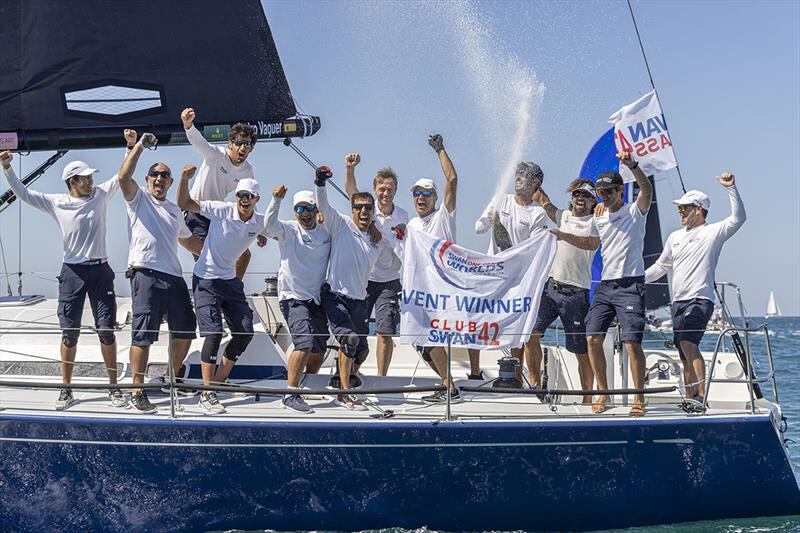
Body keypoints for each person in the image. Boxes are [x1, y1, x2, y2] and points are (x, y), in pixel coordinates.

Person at [1, 144, 127, 411]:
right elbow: (22, 193)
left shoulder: (101, 195)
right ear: (73, 182)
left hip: (100, 270)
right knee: (69, 332)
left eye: (92, 177)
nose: (92, 181)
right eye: (87, 178)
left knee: (106, 329)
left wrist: (130, 148)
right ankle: (66, 388)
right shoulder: (56, 202)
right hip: (72, 272)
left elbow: (121, 176)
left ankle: (114, 387)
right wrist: (7, 167)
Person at [561, 151, 652, 416]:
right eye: (601, 193)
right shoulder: (599, 215)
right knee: (591, 337)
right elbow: (589, 242)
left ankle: (639, 398)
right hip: (605, 287)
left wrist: (632, 166)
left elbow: (645, 189)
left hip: (630, 286)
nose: (604, 197)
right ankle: (603, 393)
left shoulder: (635, 211)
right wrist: (563, 235)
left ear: (620, 191)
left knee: (632, 342)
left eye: (609, 192)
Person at [116, 131, 198, 413]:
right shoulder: (138, 199)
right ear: (148, 179)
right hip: (145, 273)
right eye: (155, 174)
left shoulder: (176, 211)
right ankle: (137, 392)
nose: (160, 178)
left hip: (173, 277)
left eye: (165, 176)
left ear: (171, 182)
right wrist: (139, 146)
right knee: (143, 335)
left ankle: (170, 379)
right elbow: (123, 178)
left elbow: (188, 241)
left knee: (186, 330)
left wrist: (228, 246)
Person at [645, 172, 745, 403]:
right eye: (679, 209)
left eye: (684, 208)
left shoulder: (713, 232)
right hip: (678, 302)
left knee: (690, 343)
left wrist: (731, 188)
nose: (680, 213)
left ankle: (700, 396)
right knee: (682, 350)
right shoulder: (675, 237)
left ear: (698, 210)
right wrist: (636, 278)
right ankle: (690, 397)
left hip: (700, 299)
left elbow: (738, 218)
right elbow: (661, 266)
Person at [178, 172, 266, 415]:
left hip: (229, 280)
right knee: (214, 333)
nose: (243, 199)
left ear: (256, 198)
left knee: (245, 332)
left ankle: (217, 382)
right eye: (240, 195)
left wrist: (261, 236)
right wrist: (184, 180)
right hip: (206, 278)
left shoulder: (259, 220)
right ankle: (207, 394)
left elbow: (277, 228)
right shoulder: (221, 209)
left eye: (248, 196)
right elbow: (185, 204)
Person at [315, 165, 400, 410]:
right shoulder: (341, 225)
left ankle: (343, 377)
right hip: (335, 297)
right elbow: (324, 207)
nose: (363, 211)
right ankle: (343, 394)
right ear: (351, 210)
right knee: (350, 341)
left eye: (367, 208)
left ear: (374, 211)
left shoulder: (377, 238)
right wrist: (320, 182)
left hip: (359, 301)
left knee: (361, 351)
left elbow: (399, 255)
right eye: (358, 207)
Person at [471, 161, 550, 381]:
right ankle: (474, 373)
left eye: (523, 174)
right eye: (516, 173)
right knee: (477, 319)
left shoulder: (538, 213)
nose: (517, 177)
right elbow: (478, 229)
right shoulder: (501, 199)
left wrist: (499, 225)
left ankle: (522, 380)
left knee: (521, 331)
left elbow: (526, 251)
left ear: (535, 182)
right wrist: (489, 219)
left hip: (519, 279)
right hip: (492, 275)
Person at [528, 179, 599, 403]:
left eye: (587, 195)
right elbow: (543, 200)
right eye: (578, 194)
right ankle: (535, 387)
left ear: (593, 201)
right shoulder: (564, 216)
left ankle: (587, 398)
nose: (581, 198)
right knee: (530, 335)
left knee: (580, 350)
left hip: (575, 294)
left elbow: (591, 244)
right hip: (551, 288)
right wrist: (532, 179)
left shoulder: (596, 222)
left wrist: (563, 235)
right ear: (571, 198)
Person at [263, 184, 331, 413]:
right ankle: (291, 394)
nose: (304, 213)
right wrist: (275, 200)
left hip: (316, 298)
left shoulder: (326, 231)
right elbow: (269, 226)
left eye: (308, 208)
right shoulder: (289, 230)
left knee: (320, 348)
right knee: (304, 342)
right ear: (294, 212)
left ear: (316, 209)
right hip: (292, 297)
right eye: (299, 209)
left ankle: (307, 385)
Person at [406, 134, 461, 403]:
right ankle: (446, 383)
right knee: (420, 341)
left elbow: (452, 180)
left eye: (427, 193)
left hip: (441, 291)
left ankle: (450, 388)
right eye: (416, 193)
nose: (421, 197)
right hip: (418, 293)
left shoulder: (443, 216)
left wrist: (440, 149)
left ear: (435, 198)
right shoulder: (412, 226)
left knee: (432, 338)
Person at [343, 154, 409, 376]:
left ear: (395, 191)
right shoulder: (367, 210)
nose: (386, 193)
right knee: (358, 330)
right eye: (382, 189)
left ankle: (382, 378)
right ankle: (351, 372)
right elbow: (352, 192)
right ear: (375, 189)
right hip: (364, 280)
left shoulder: (403, 215)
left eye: (390, 189)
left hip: (390, 281)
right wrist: (350, 169)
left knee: (385, 331)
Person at [180, 107, 265, 278]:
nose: (243, 148)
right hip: (194, 211)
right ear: (230, 143)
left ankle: (234, 291)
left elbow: (250, 199)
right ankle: (208, 289)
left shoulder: (247, 171)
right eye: (239, 142)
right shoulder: (215, 154)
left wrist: (259, 231)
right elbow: (198, 141)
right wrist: (188, 124)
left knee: (244, 255)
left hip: (216, 214)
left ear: (251, 149)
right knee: (209, 254)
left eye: (247, 144)